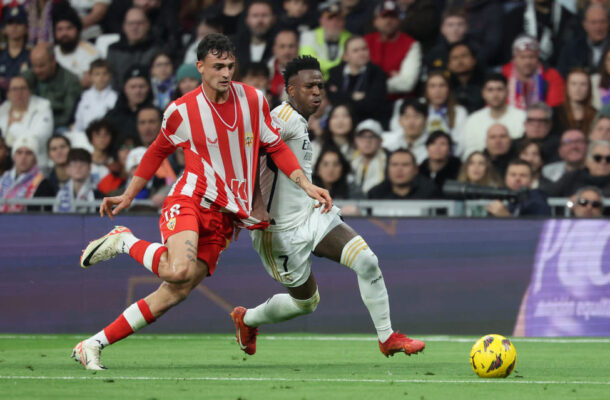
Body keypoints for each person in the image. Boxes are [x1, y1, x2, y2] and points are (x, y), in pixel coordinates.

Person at [71, 33, 332, 370]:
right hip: (192, 199)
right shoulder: (182, 111)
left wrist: (305, 184)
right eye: (217, 66)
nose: (226, 73)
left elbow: (277, 147)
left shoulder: (253, 99)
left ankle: (92, 344)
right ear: (200, 67)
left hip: (226, 218)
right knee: (178, 269)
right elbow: (157, 151)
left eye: (230, 66)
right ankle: (124, 241)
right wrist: (129, 194)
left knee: (174, 292)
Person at [230, 55, 425, 358]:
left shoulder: (299, 121)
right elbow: (248, 151)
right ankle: (248, 319)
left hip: (311, 215)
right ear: (291, 90)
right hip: (278, 231)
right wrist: (253, 206)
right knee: (306, 303)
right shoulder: (281, 117)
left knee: (368, 261)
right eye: (309, 86)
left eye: (320, 86)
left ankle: (387, 338)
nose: (317, 92)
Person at [461, 73, 526, 160]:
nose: (495, 94)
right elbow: (468, 151)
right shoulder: (473, 120)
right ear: (483, 93)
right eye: (490, 90)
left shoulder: (522, 117)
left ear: (507, 92)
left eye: (499, 89)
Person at [364, 0, 421, 97]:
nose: (388, 21)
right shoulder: (365, 41)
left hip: (398, 102)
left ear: (399, 21)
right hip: (368, 100)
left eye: (393, 17)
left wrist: (372, 86)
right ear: (375, 21)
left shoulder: (411, 44)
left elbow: (407, 83)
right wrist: (395, 79)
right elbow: (355, 73)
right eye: (384, 16)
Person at [326, 36, 388, 124]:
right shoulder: (335, 72)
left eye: (364, 49)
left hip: (366, 122)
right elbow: (332, 99)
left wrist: (342, 95)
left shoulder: (378, 74)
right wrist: (352, 96)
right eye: (356, 50)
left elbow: (371, 105)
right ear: (346, 56)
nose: (362, 53)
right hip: (339, 121)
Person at [22, 42, 81, 131]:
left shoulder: (70, 80)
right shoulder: (26, 78)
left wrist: (43, 126)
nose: (37, 70)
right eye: (34, 66)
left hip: (56, 125)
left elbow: (67, 116)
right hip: (29, 123)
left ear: (53, 61)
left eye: (41, 66)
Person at [0, 75, 53, 165]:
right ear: (8, 94)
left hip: (35, 161)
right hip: (5, 163)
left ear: (30, 91)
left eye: (23, 88)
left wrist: (13, 131)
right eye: (14, 89)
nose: (19, 93)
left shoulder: (43, 106)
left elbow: (40, 137)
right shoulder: (3, 109)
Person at [501, 35, 565, 110]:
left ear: (538, 58)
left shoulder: (551, 76)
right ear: (514, 59)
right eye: (522, 57)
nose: (527, 62)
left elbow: (554, 107)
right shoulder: (503, 75)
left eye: (531, 57)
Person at [106, 8, 161, 90]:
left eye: (139, 23)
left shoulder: (157, 49)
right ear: (124, 26)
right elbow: (111, 79)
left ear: (147, 25)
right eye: (130, 23)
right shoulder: (113, 50)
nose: (135, 27)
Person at [0, 135, 55, 213]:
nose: (23, 157)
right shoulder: (3, 179)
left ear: (35, 158)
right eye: (19, 152)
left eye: (28, 153)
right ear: (14, 156)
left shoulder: (43, 184)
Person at [299, 0, 351, 79]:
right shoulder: (308, 36)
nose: (334, 23)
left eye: (338, 19)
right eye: (330, 18)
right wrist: (339, 66)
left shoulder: (350, 38)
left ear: (344, 21)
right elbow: (308, 63)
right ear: (321, 21)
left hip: (342, 84)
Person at [52, 3, 100, 87]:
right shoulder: (52, 53)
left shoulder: (92, 54)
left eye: (69, 28)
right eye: (60, 29)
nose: (64, 33)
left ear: (78, 30)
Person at [486, 158, 551, 217]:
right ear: (505, 178)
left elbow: (536, 228)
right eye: (513, 175)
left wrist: (506, 217)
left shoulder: (537, 200)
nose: (517, 179)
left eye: (523, 175)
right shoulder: (498, 196)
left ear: (531, 180)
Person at [558, 4, 609, 77]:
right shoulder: (571, 49)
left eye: (602, 22)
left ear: (608, 23)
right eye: (593, 22)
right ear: (584, 25)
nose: (598, 27)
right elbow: (561, 75)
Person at [368, 148, 439, 199]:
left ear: (415, 169)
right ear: (387, 169)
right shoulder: (376, 194)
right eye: (394, 165)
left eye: (405, 165)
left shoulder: (430, 193)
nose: (399, 170)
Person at [72, 59, 118, 133]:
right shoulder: (83, 96)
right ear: (90, 76)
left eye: (105, 74)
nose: (101, 77)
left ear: (110, 76)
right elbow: (78, 123)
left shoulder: (115, 97)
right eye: (97, 74)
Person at [53, 148, 102, 213]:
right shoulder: (58, 193)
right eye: (73, 163)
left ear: (89, 168)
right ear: (67, 169)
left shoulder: (98, 195)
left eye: (82, 163)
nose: (78, 167)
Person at [230, 0, 276, 69]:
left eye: (264, 15)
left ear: (273, 19)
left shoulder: (281, 45)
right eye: (255, 15)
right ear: (247, 20)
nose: (260, 21)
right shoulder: (233, 46)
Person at [383, 99, 429, 164]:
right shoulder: (387, 142)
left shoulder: (432, 147)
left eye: (416, 117)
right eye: (407, 117)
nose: (411, 123)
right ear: (400, 120)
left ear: (425, 120)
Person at [552, 68, 597, 136]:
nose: (578, 89)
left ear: (589, 88)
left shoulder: (596, 115)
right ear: (567, 87)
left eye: (583, 84)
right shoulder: (555, 113)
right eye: (573, 84)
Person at [0, 5, 31, 101]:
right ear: (4, 28)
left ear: (26, 28)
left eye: (19, 23)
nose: (14, 26)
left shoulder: (32, 54)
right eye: (10, 23)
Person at [447, 41, 485, 113]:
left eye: (464, 56)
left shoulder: (486, 83)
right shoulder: (445, 86)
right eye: (455, 58)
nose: (460, 61)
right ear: (449, 65)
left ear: (474, 60)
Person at [351, 119, 387, 194]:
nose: (367, 141)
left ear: (380, 140)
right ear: (356, 140)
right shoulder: (348, 161)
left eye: (372, 136)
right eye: (362, 136)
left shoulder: (390, 162)